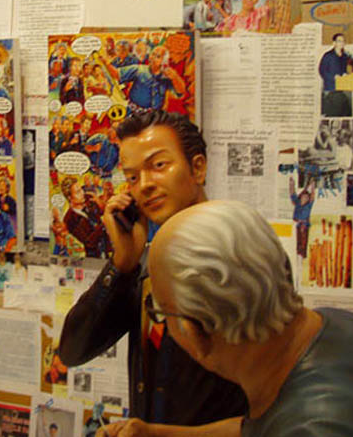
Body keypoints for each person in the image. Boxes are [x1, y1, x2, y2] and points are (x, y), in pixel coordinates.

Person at [121, 199, 353, 437]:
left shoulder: (313, 428)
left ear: (195, 330)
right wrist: (156, 433)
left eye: (161, 310)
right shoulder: (346, 327)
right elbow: (258, 427)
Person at [58, 110, 247, 430]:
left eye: (158, 165)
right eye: (132, 177)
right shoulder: (147, 267)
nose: (144, 185)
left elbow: (270, 405)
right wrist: (122, 263)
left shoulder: (244, 260)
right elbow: (73, 350)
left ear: (198, 168)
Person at [103, 46, 185, 112]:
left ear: (164, 61)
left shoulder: (166, 77)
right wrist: (106, 63)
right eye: (153, 54)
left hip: (153, 117)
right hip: (134, 113)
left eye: (158, 56)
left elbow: (180, 93)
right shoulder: (139, 70)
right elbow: (118, 74)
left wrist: (175, 78)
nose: (153, 58)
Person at [289, 177, 314, 260]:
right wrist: (291, 184)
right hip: (298, 225)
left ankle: (303, 255)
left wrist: (313, 186)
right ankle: (298, 255)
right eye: (304, 197)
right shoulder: (297, 203)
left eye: (307, 197)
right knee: (298, 244)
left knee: (303, 243)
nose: (305, 198)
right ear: (301, 197)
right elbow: (292, 193)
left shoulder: (308, 206)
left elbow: (312, 196)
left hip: (305, 226)